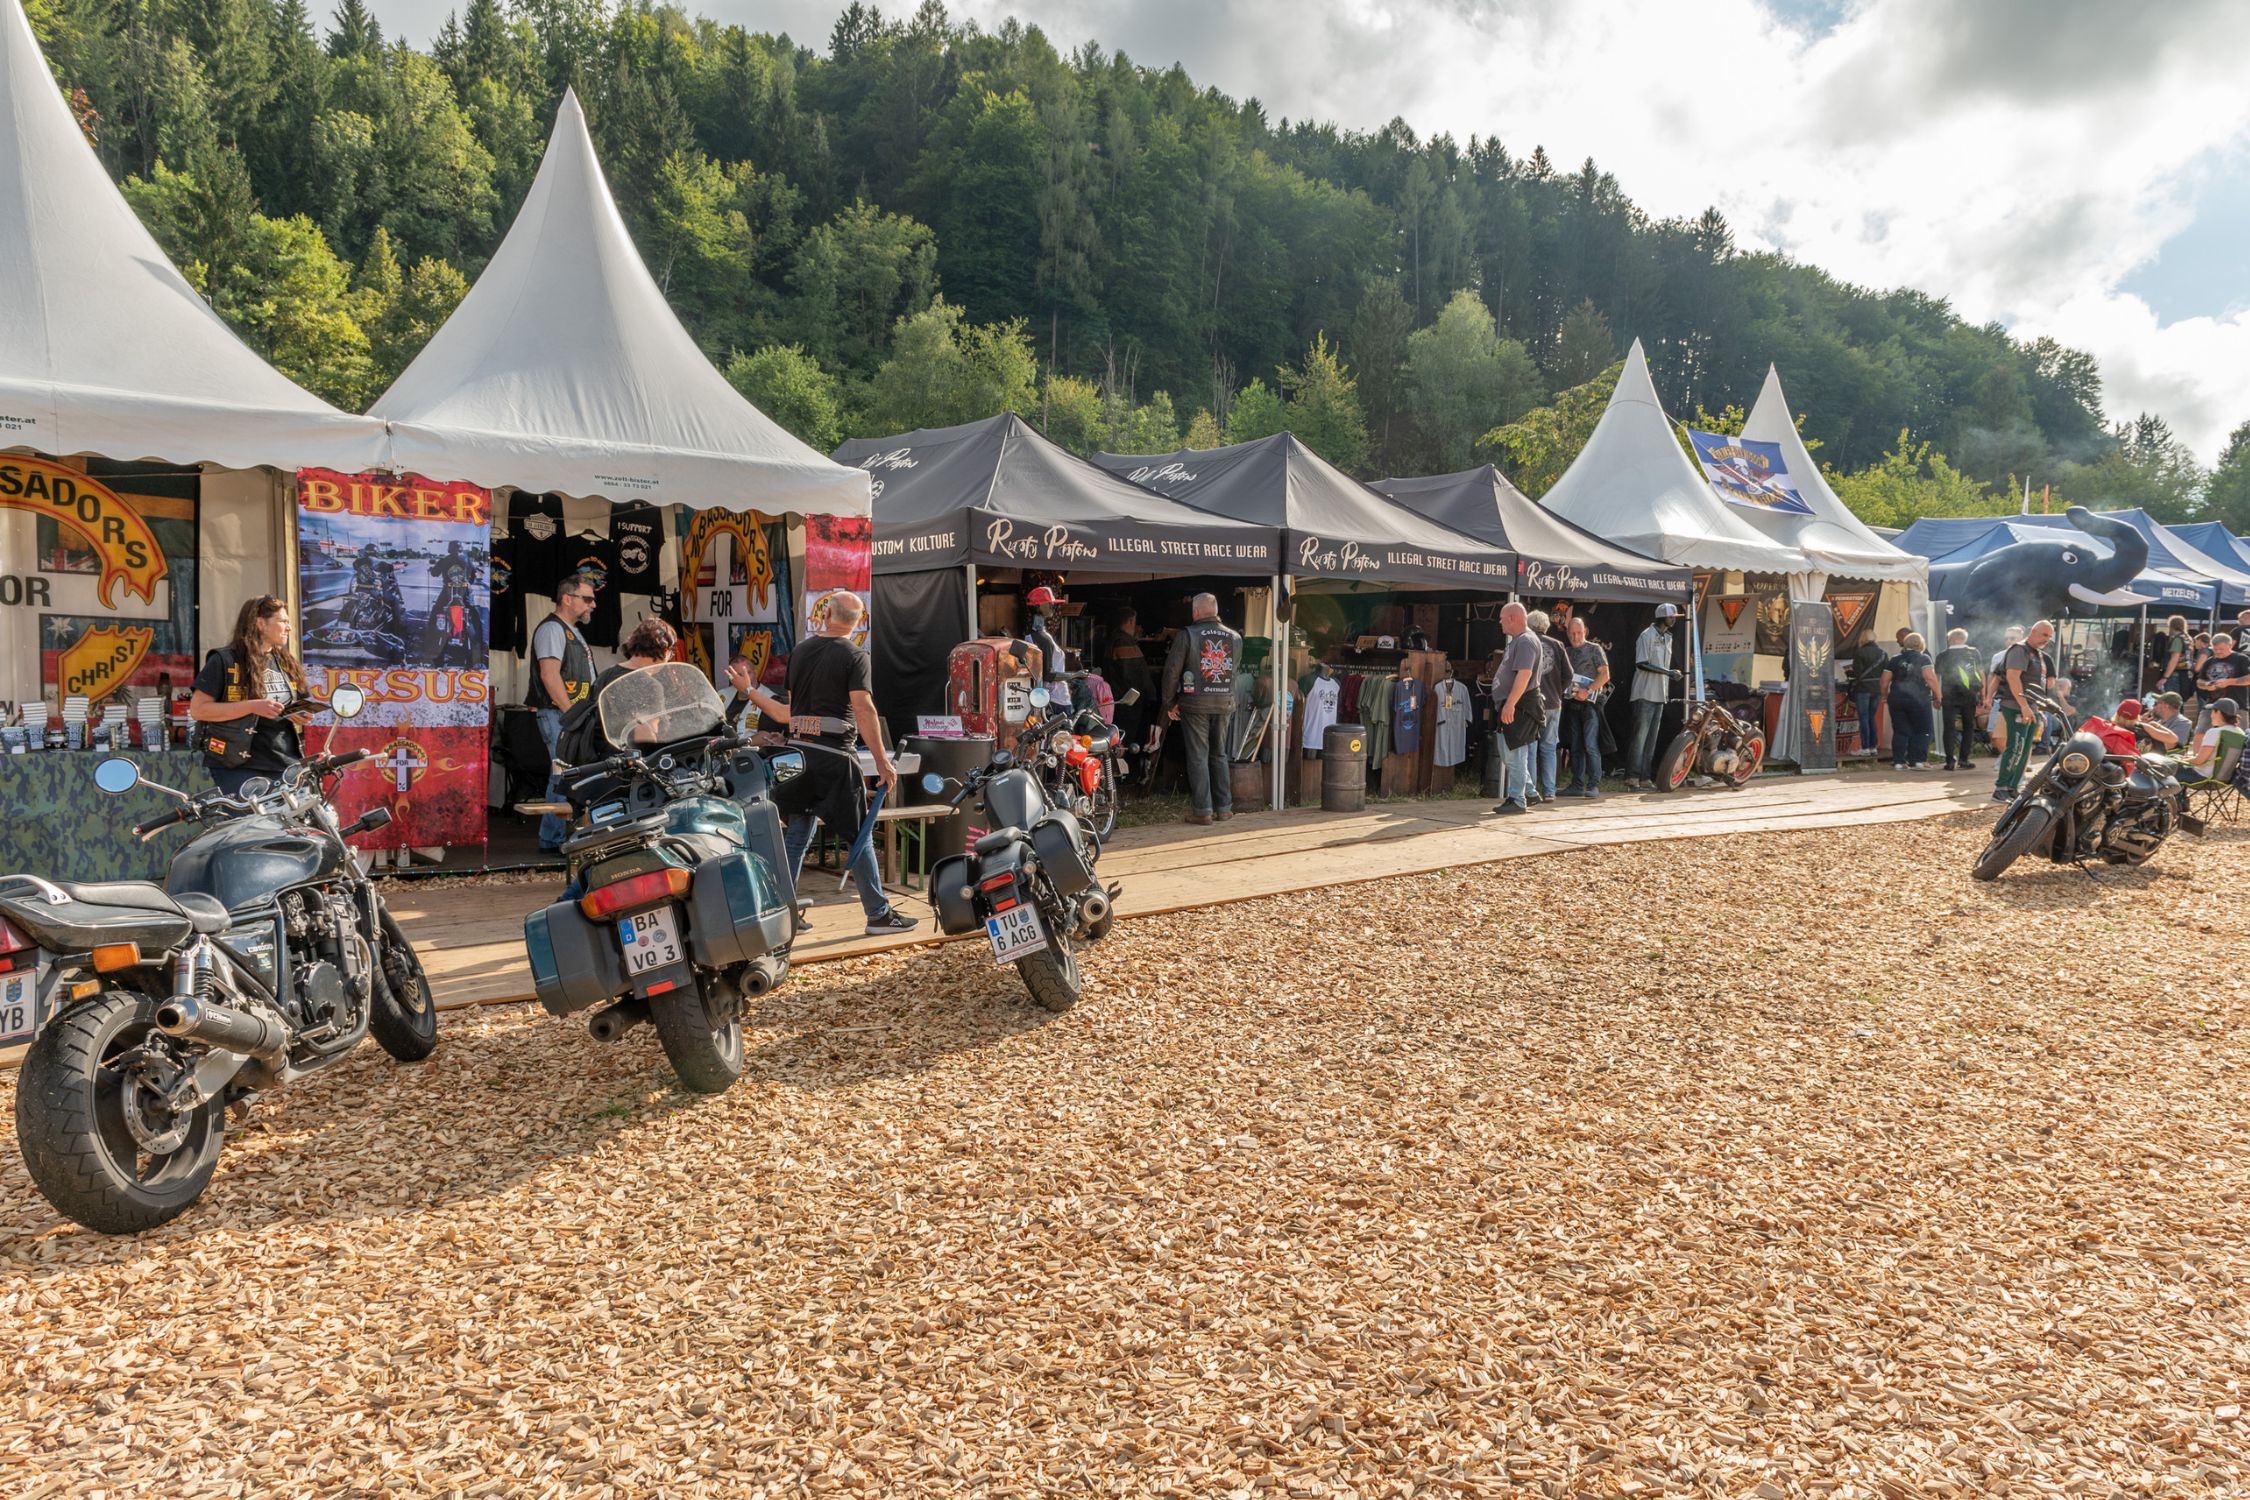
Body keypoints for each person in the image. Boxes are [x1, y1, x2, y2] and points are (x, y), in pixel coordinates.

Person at [729, 590, 914, 936]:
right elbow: (864, 709)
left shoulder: (800, 652)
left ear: (825, 615)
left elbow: (786, 713)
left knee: (798, 835)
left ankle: (783, 912)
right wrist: (882, 761)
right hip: (833, 759)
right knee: (858, 835)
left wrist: (750, 690)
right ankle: (878, 913)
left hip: (797, 757)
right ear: (858, 624)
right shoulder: (855, 656)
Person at [190, 595, 314, 796]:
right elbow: (198, 709)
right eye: (283, 621)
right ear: (260, 623)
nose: (289, 628)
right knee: (253, 825)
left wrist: (299, 713)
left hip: (284, 763)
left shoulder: (286, 661)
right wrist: (252, 706)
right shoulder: (225, 660)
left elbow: (301, 702)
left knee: (292, 825)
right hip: (238, 765)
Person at [528, 574, 599, 854]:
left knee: (567, 775)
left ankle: (558, 837)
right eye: (588, 599)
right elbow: (549, 675)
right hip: (559, 716)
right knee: (561, 776)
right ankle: (552, 840)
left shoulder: (570, 629)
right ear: (567, 599)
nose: (593, 605)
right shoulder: (552, 629)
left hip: (569, 716)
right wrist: (572, 714)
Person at [1160, 592, 1242, 826]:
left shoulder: (1187, 635)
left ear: (1195, 612)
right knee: (1219, 754)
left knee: (1198, 757)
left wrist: (1169, 701)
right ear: (1216, 611)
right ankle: (1225, 808)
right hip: (1225, 702)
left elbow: (1171, 671)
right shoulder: (1235, 637)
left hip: (1194, 703)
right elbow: (1232, 671)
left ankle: (1203, 810)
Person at [561, 619, 679, 765]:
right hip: (628, 768)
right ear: (665, 650)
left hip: (601, 761)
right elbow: (645, 734)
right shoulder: (651, 686)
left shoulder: (606, 675)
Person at [1489, 602, 1544, 816]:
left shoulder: (1526, 641)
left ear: (1512, 618)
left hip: (1521, 704)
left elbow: (1524, 674)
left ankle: (1517, 799)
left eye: (1502, 618)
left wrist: (1510, 703)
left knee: (1515, 753)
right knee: (1508, 751)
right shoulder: (1519, 641)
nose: (1500, 622)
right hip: (1514, 703)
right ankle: (1529, 792)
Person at [1992, 619, 2055, 802]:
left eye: (2049, 636)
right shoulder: (2020, 650)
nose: (2046, 639)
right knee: (2016, 747)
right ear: (2033, 631)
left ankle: (2012, 787)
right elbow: (2012, 677)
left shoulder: (2039, 654)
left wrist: (2037, 708)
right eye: (2044, 634)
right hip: (2016, 706)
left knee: (2025, 749)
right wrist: (2024, 706)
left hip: (2031, 707)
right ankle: (2001, 787)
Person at [1626, 603, 1682, 790]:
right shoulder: (1646, 635)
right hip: (1644, 692)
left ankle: (1645, 777)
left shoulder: (1668, 638)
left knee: (1651, 739)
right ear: (1661, 617)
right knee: (1640, 738)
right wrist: (1668, 672)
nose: (1673, 619)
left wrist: (1669, 674)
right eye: (1671, 616)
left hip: (1660, 694)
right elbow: (1641, 663)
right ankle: (1632, 776)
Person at [1561, 614, 1610, 798]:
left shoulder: (1594, 649)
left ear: (1585, 632)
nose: (1575, 636)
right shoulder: (1566, 651)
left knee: (1590, 744)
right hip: (1572, 704)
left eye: (1579, 632)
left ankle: (1594, 784)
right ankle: (1577, 784)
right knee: (1575, 746)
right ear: (1567, 633)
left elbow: (1605, 675)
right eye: (1572, 633)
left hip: (1590, 705)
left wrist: (1588, 690)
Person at [1879, 631, 1940, 770]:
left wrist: (1884, 695)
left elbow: (1884, 680)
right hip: (1919, 699)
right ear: (1920, 644)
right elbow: (1930, 678)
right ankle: (1918, 761)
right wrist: (1938, 695)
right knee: (1924, 730)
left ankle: (1899, 762)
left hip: (1897, 699)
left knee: (1900, 730)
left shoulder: (1894, 659)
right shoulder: (1924, 658)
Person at [1527, 608, 1568, 803]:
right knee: (1549, 747)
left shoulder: (1526, 642)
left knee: (1531, 747)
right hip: (1553, 703)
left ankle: (1531, 791)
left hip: (1531, 703)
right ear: (1546, 626)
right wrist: (1558, 691)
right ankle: (1550, 791)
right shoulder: (1558, 644)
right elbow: (1568, 675)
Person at [1934, 627, 1984, 770]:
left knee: (1949, 728)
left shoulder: (1943, 655)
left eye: (1949, 639)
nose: (1948, 641)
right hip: (1969, 695)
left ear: (1953, 639)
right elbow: (1981, 674)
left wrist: (1936, 696)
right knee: (1969, 727)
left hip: (1948, 695)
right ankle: (1964, 759)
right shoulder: (1973, 653)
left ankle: (1949, 761)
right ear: (1964, 639)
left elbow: (1936, 677)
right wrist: (1983, 694)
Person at [1023, 586, 1071, 710]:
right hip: (1056, 698)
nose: (1052, 607)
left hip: (1045, 697)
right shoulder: (1043, 638)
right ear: (1039, 607)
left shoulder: (1030, 636)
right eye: (1049, 603)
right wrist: (1075, 675)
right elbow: (1048, 675)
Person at [2193, 635, 2250, 733]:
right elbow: (2199, 681)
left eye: (2221, 649)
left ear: (2230, 645)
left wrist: (2229, 682)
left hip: (2237, 706)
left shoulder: (2242, 659)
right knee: (2200, 733)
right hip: (2212, 705)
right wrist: (2206, 685)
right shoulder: (2209, 661)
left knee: (2240, 738)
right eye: (2215, 649)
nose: (2218, 652)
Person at [2184, 697, 2243, 774]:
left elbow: (2199, 761)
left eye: (2212, 712)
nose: (2211, 715)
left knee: (2173, 765)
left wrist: (2182, 760)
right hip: (2227, 779)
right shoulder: (2241, 733)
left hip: (2204, 776)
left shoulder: (2214, 732)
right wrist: (2192, 758)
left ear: (2218, 712)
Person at [2158, 614, 2194, 697]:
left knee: (2170, 701)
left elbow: (2174, 659)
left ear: (2172, 626)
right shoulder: (2187, 638)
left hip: (2175, 675)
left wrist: (2165, 677)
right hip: (2186, 675)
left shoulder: (2177, 639)